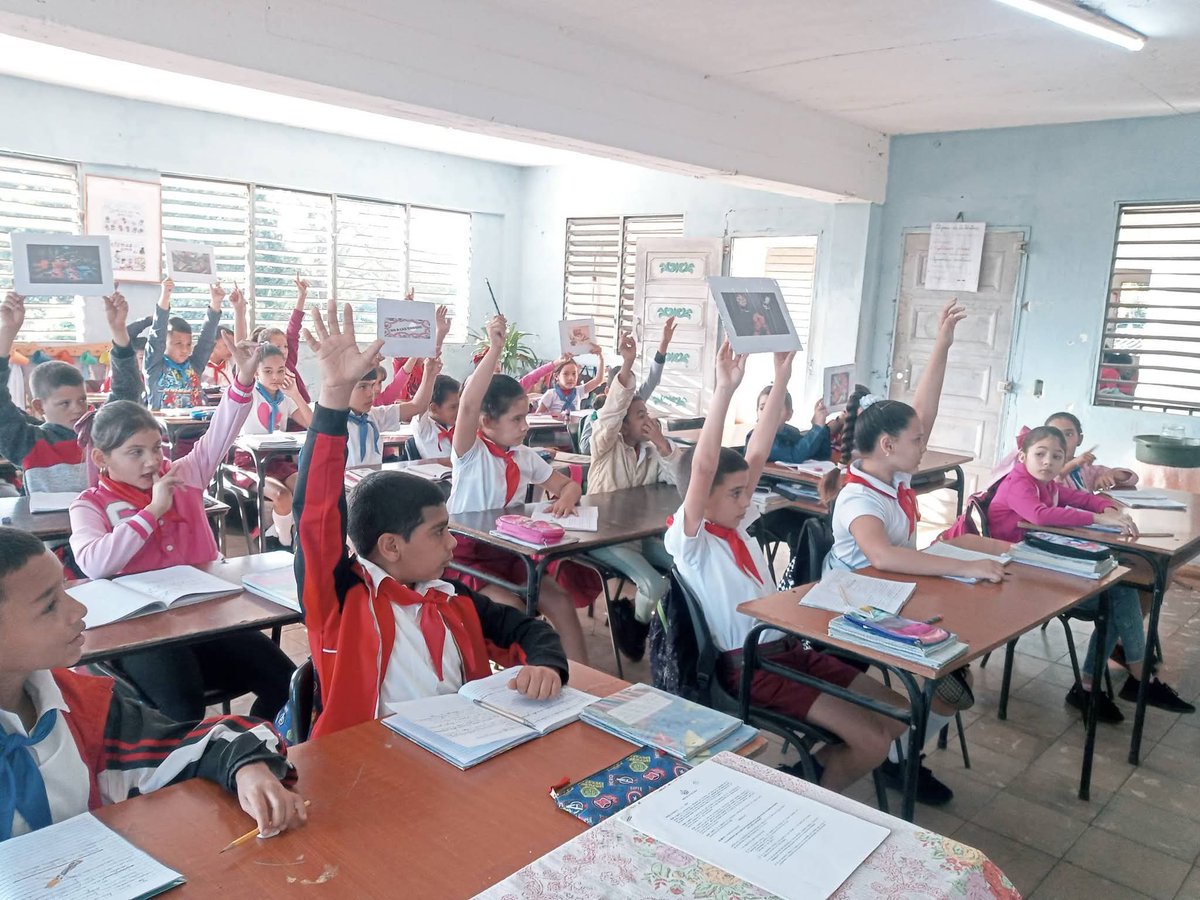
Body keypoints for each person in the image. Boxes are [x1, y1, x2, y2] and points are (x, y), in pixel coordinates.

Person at [292, 299, 569, 738]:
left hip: (460, 754)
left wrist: (546, 665)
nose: (453, 543)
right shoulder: (341, 601)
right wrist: (333, 399)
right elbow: (316, 516)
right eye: (439, 532)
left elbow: (529, 631)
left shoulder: (451, 597)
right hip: (364, 765)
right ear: (390, 546)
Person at [667, 341, 908, 792]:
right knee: (872, 740)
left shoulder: (737, 526)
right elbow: (702, 468)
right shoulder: (692, 542)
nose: (746, 500)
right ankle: (806, 794)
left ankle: (802, 777)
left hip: (789, 652)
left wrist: (782, 378)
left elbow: (757, 454)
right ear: (701, 498)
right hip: (750, 669)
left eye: (745, 491)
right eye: (735, 493)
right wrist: (724, 389)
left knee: (897, 714)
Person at [0, 526, 305, 842]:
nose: (79, 609)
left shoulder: (76, 706)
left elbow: (181, 745)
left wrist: (247, 767)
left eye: (65, 589)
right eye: (49, 605)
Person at [824, 300, 998, 804]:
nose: (924, 444)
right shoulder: (859, 497)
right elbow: (884, 557)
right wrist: (966, 564)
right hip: (854, 605)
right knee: (947, 671)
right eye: (917, 440)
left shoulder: (891, 474)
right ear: (887, 444)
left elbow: (924, 411)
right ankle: (901, 760)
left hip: (892, 593)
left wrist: (942, 343)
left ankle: (905, 754)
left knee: (954, 664)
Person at [69, 335, 294, 724]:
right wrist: (153, 511)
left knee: (288, 682)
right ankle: (190, 759)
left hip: (207, 617)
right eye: (135, 452)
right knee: (183, 706)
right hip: (141, 632)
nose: (151, 461)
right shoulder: (90, 505)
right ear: (102, 458)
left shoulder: (184, 475)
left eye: (156, 448)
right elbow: (95, 563)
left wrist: (243, 380)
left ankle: (254, 739)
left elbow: (221, 432)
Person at [986, 425, 1193, 719]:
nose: (1048, 462)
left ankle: (1097, 685)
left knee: (1119, 588)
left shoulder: (1047, 485)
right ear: (1022, 456)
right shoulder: (1018, 483)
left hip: (1042, 563)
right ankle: (1134, 680)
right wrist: (1097, 518)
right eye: (1040, 454)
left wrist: (1108, 508)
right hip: (1017, 575)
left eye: (1056, 456)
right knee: (1118, 593)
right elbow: (1039, 516)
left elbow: (1081, 499)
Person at [449, 314, 598, 663]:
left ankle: (584, 682)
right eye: (516, 419)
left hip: (511, 553)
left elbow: (567, 485)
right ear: (487, 422)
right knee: (514, 613)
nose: (525, 426)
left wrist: (567, 497)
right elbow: (468, 404)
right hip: (468, 557)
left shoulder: (523, 456)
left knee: (559, 601)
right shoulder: (471, 453)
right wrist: (495, 349)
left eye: (526, 416)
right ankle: (528, 682)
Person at [584, 331, 681, 660]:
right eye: (640, 416)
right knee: (655, 584)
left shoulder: (651, 453)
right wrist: (626, 364)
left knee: (684, 565)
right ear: (622, 427)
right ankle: (634, 631)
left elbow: (678, 482)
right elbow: (611, 412)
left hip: (636, 536)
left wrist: (663, 446)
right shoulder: (605, 446)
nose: (648, 420)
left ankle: (666, 630)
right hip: (603, 536)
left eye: (647, 414)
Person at [0, 289, 140, 494]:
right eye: (64, 403)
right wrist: (7, 331)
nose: (77, 409)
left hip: (100, 515)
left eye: (82, 400)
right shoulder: (27, 442)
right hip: (47, 517)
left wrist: (118, 330)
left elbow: (127, 392)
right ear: (39, 406)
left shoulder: (100, 432)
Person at [231, 343, 313, 547]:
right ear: (256, 373)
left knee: (307, 488)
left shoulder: (286, 397)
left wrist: (295, 394)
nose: (275, 377)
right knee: (282, 495)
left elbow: (312, 424)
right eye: (268, 371)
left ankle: (277, 533)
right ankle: (284, 543)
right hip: (249, 462)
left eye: (280, 370)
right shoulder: (249, 394)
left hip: (276, 460)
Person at [579, 316, 676, 453]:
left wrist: (664, 343)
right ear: (607, 391)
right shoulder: (597, 416)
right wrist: (612, 432)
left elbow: (653, 379)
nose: (625, 395)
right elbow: (585, 448)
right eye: (621, 390)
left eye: (629, 390)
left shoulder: (634, 403)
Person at [144, 278, 224, 409]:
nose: (185, 350)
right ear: (165, 344)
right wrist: (165, 296)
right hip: (163, 421)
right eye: (178, 344)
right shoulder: (155, 365)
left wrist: (216, 303)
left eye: (188, 344)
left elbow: (206, 339)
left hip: (194, 421)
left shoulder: (194, 365)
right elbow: (157, 335)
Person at [345, 359, 438, 467]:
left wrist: (430, 373)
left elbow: (417, 406)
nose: (371, 393)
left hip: (373, 477)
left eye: (372, 385)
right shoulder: (333, 423)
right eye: (362, 387)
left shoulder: (374, 415)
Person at [1044, 411, 1138, 492]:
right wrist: (1073, 464)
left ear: (1079, 439)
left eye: (1069, 434)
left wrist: (1112, 474)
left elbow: (1132, 478)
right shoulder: (1042, 468)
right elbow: (1053, 480)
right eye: (1054, 434)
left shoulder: (1086, 469)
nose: (1062, 440)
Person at [746, 388, 832, 464]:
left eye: (777, 408)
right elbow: (795, 456)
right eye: (762, 408)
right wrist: (817, 428)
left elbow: (821, 455)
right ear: (757, 412)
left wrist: (820, 423)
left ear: (789, 414)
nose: (768, 414)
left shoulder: (790, 432)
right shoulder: (756, 438)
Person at [536, 347, 606, 416]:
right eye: (566, 374)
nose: (570, 378)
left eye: (574, 374)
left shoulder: (579, 391)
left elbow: (598, 380)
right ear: (556, 376)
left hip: (574, 423)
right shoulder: (551, 394)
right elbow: (538, 416)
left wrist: (601, 357)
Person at [411, 374, 460, 461]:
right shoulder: (423, 428)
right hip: (435, 469)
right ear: (434, 408)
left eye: (460, 405)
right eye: (453, 407)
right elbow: (421, 404)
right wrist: (431, 373)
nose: (459, 410)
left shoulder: (452, 425)